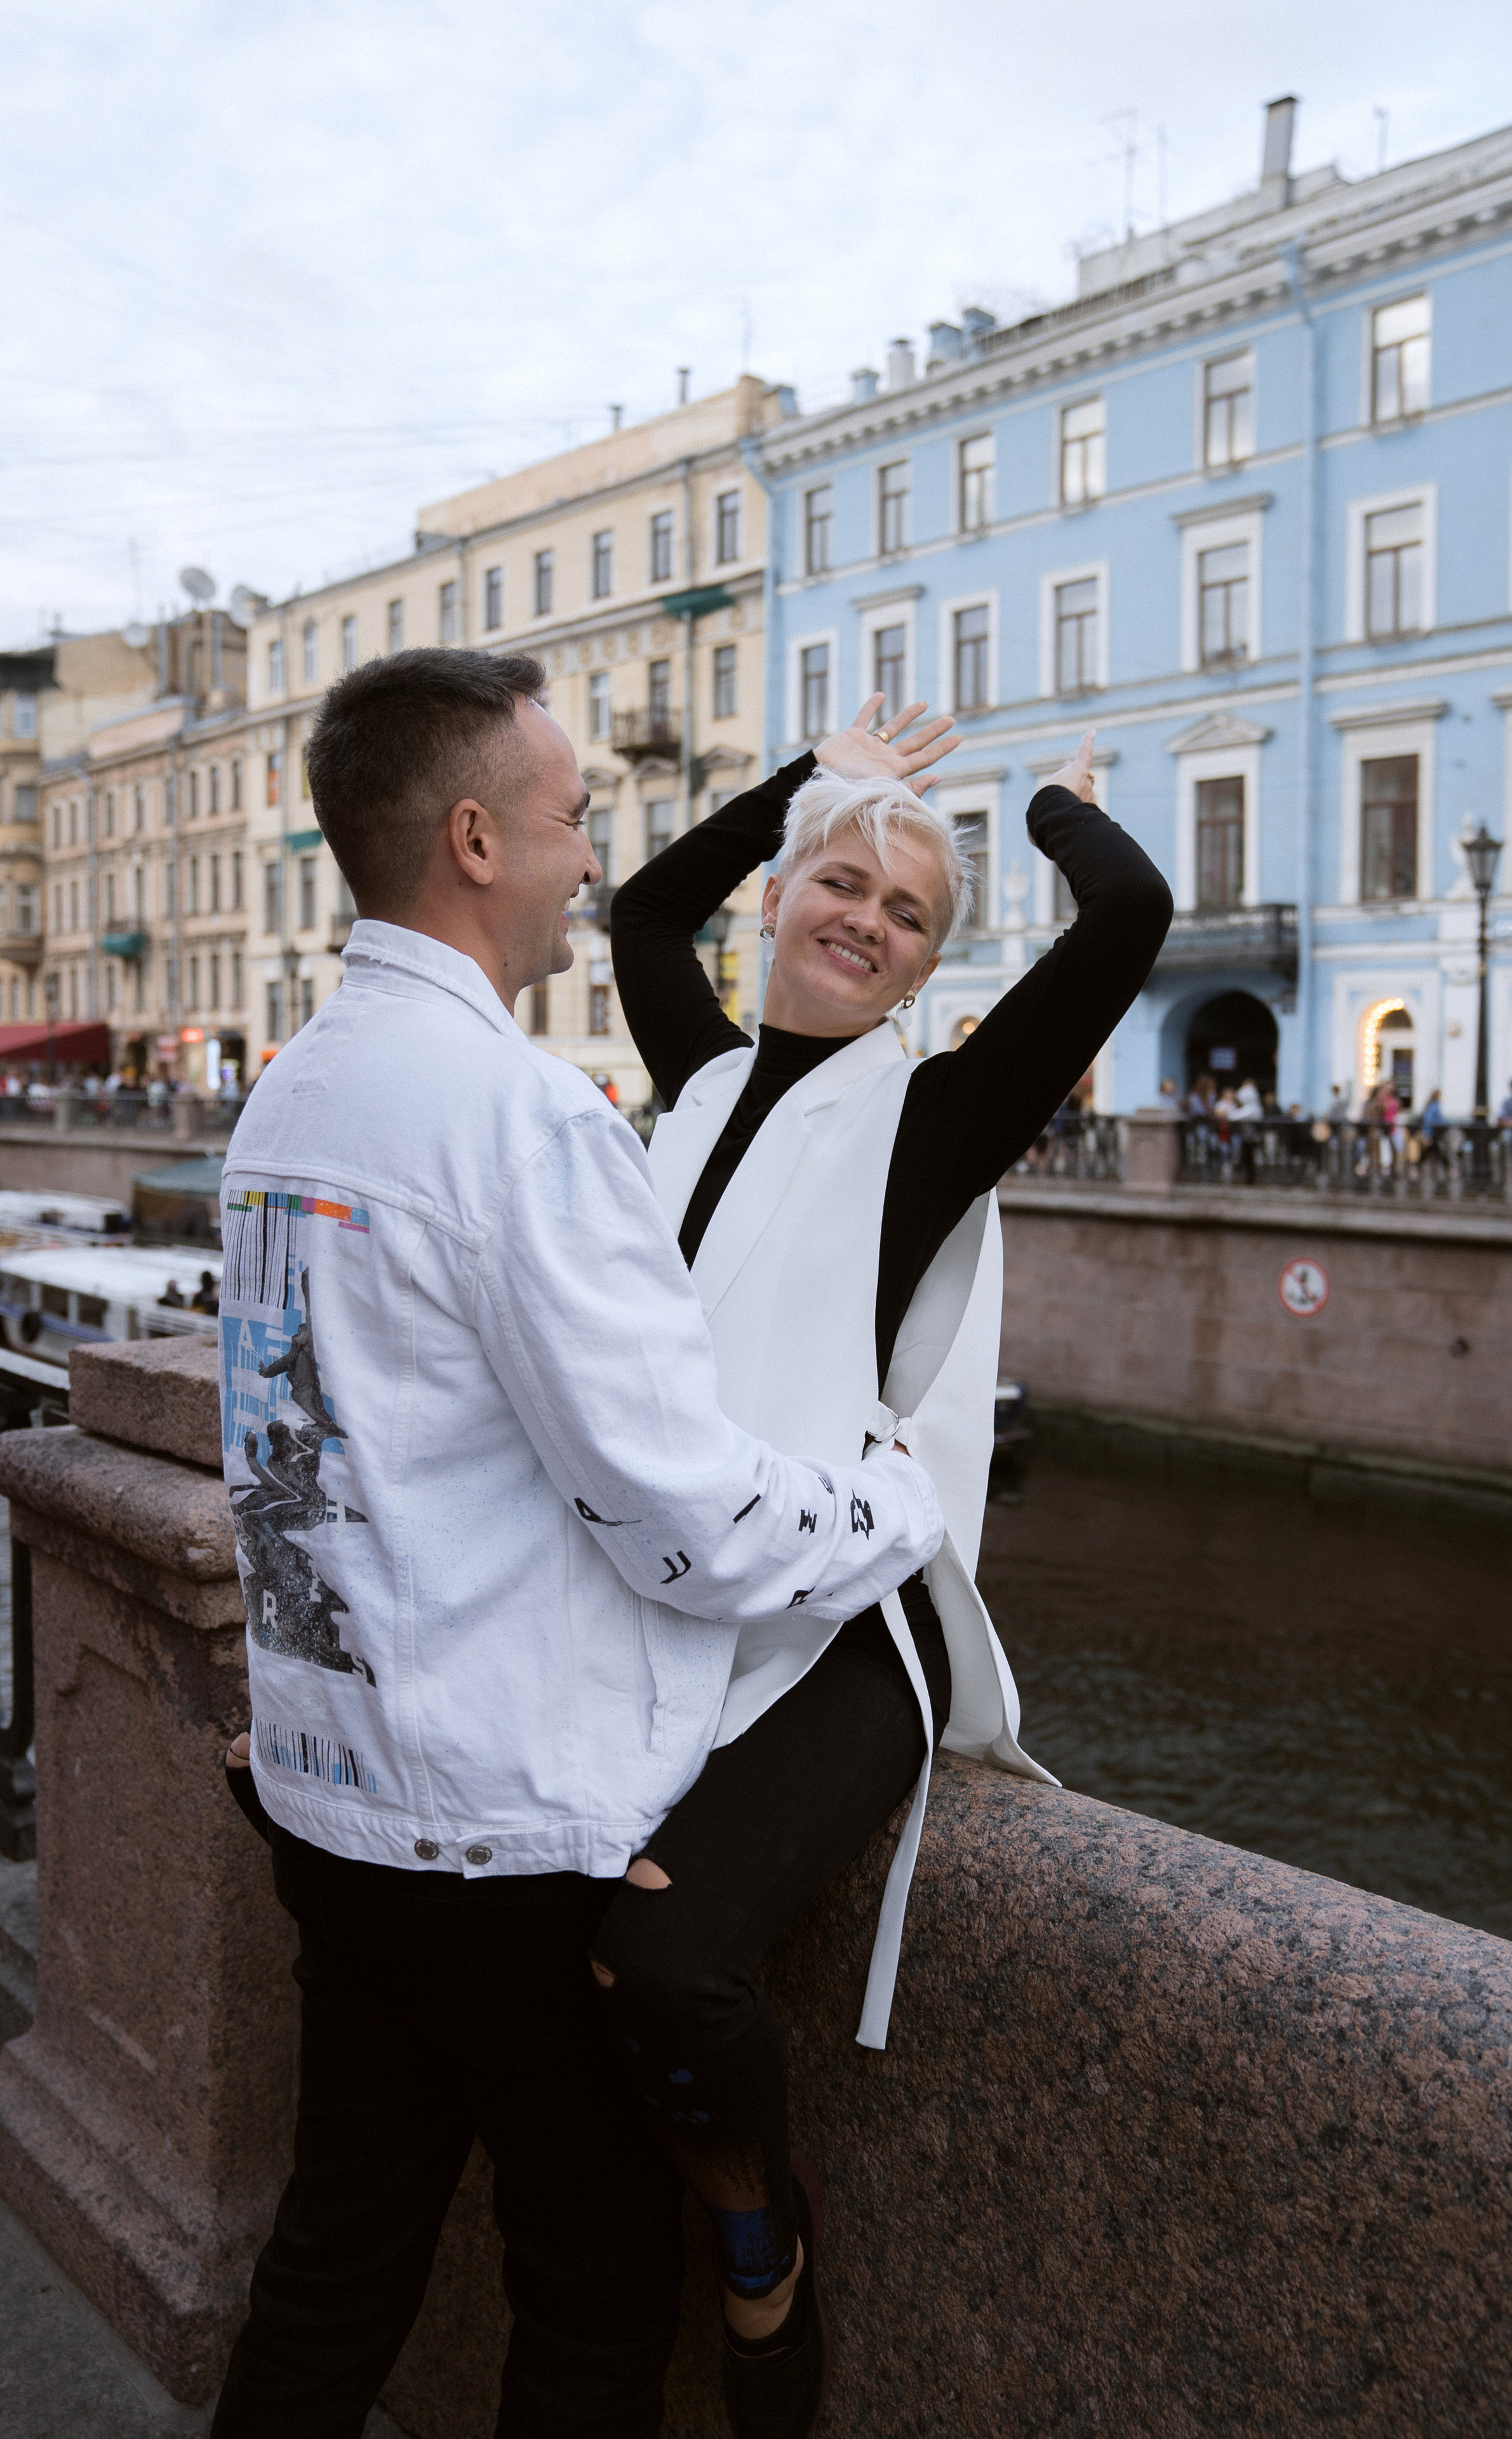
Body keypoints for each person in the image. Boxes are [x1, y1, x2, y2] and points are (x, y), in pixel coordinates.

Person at [208, 648, 944, 2439]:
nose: (591, 856)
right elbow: (684, 1517)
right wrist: (898, 1504)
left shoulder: (287, 1096)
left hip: (330, 1792)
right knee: (597, 2294)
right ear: (474, 838)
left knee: (340, 2250)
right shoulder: (522, 1120)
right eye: (570, 819)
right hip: (496, 1837)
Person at [607, 701, 1170, 2432]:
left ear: (927, 966)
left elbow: (1131, 923)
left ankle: (762, 2248)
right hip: (655, 1588)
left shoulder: (935, 1116)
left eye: (904, 913)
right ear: (775, 900)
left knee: (674, 1955)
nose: (860, 916)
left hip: (851, 1627)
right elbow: (638, 914)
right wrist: (814, 782)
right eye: (834, 885)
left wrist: (1052, 810)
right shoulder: (694, 1073)